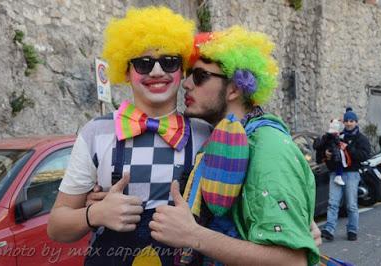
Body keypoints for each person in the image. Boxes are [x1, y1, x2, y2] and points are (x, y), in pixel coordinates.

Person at [47, 6, 212, 265]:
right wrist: (95, 214)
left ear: (182, 70)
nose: (157, 72)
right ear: (125, 71)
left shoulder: (206, 135)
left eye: (169, 61)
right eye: (143, 63)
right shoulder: (96, 133)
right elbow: (56, 226)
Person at [148, 26, 320, 265]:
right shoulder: (218, 138)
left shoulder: (267, 147)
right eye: (189, 75)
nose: (186, 84)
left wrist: (193, 235)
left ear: (235, 88)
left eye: (200, 76)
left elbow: (292, 261)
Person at [320, 107, 371, 241]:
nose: (348, 123)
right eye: (347, 121)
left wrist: (348, 148)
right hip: (335, 173)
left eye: (351, 121)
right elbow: (326, 150)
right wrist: (327, 153)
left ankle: (352, 230)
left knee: (351, 205)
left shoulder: (362, 139)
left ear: (356, 122)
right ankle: (329, 230)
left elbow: (364, 155)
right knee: (332, 203)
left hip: (352, 174)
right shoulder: (338, 136)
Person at [314, 119, 348, 186]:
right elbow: (337, 143)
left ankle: (338, 176)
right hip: (334, 157)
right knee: (340, 164)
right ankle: (338, 176)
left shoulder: (326, 137)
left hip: (331, 161)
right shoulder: (334, 136)